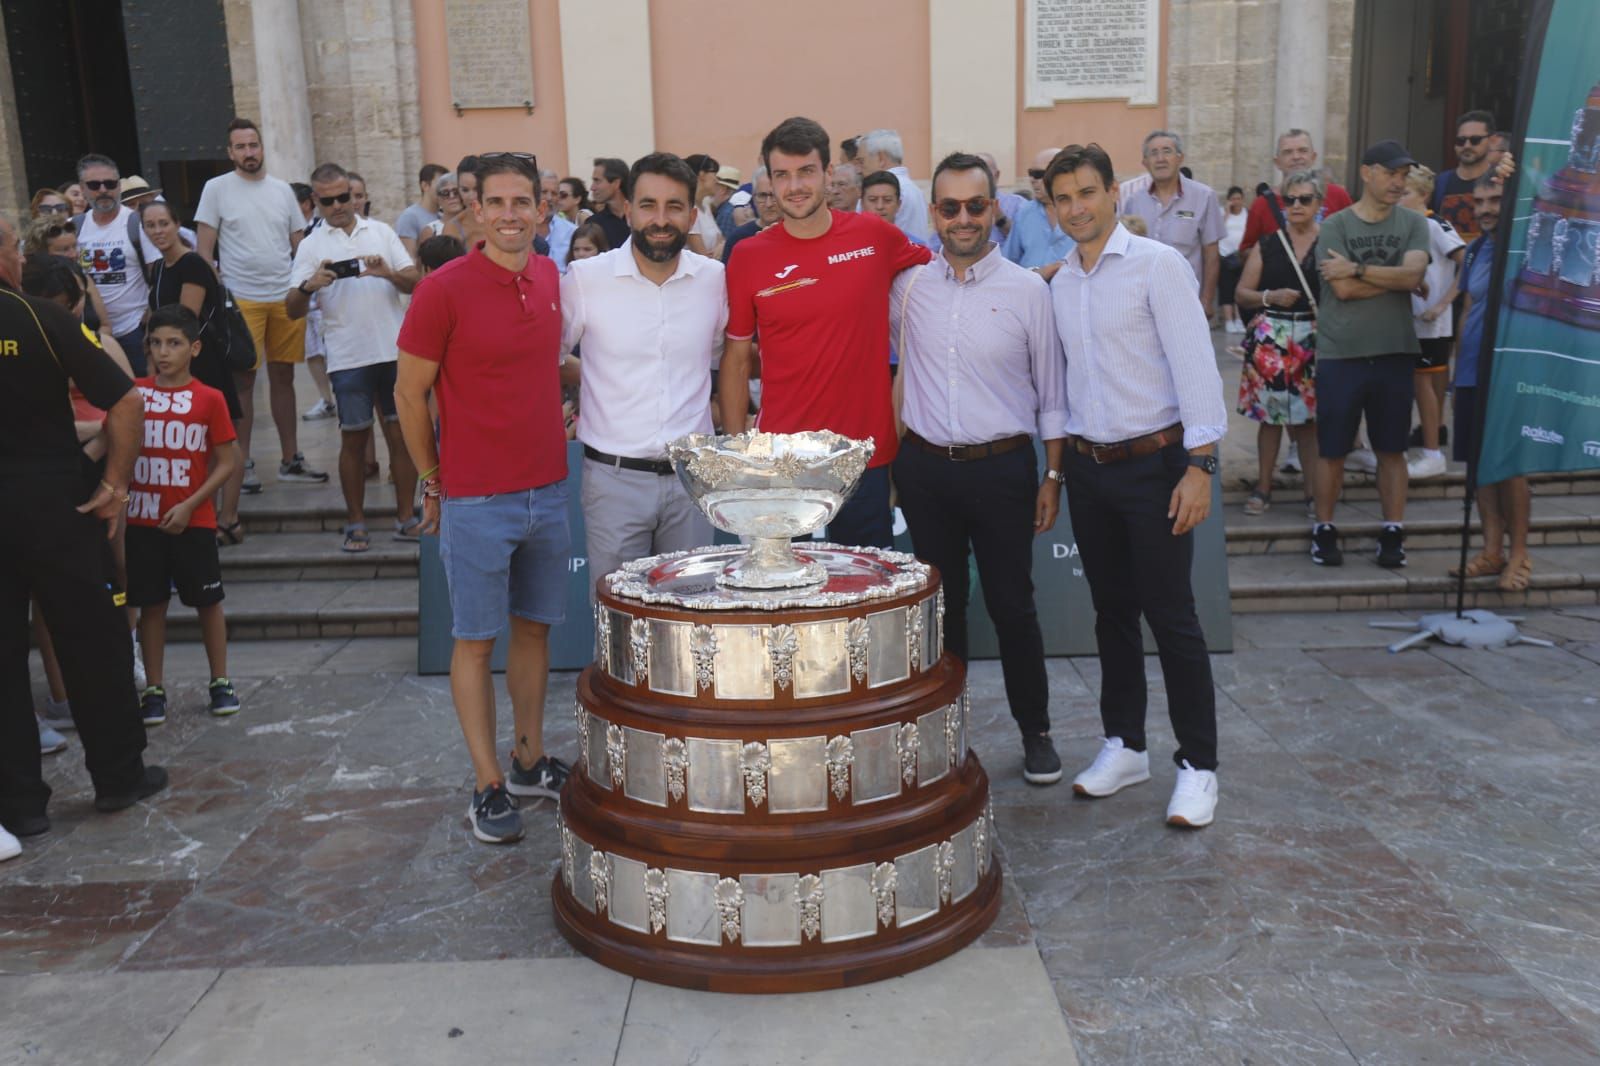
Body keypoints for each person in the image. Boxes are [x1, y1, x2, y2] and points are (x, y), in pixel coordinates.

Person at [1042, 145, 1228, 829]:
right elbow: (1061, 387)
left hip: (1157, 467)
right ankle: (1125, 745)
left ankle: (1198, 766)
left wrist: (1199, 466)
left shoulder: (1158, 267)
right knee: (1111, 613)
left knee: (1172, 617)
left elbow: (1196, 369)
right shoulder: (1062, 283)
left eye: (1086, 192)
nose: (1076, 208)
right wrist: (1060, 473)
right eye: (1062, 197)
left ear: (1113, 193)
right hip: (1091, 471)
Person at [395, 152, 572, 844]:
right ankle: (487, 782)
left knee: (535, 629)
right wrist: (433, 477)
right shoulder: (443, 289)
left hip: (548, 489)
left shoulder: (552, 276)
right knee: (473, 642)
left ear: (541, 209)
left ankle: (529, 759)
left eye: (521, 201)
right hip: (474, 498)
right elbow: (409, 393)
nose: (508, 214)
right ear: (472, 210)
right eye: (493, 202)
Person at [890, 151, 1068, 786]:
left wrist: (1052, 475)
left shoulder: (1028, 291)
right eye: (949, 207)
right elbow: (896, 374)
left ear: (995, 209)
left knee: (1013, 604)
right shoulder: (907, 289)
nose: (962, 219)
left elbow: (1052, 393)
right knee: (942, 608)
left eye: (975, 206)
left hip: (1003, 471)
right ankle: (944, 735)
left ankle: (1036, 730)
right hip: (928, 472)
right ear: (933, 213)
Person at [0, 211, 166, 853]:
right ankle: (119, 776)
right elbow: (126, 399)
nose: (19, 258)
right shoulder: (45, 321)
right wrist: (116, 485)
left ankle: (18, 805)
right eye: (14, 247)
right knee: (92, 641)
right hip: (54, 500)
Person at [720, 116, 932, 549]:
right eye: (782, 175)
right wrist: (738, 452)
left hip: (863, 456)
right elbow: (738, 357)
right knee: (786, 602)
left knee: (862, 595)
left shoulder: (875, 237)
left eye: (806, 172)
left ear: (828, 174)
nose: (794, 186)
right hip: (781, 460)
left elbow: (942, 273)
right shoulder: (748, 256)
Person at [560, 152, 722, 588]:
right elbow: (550, 355)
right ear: (628, 208)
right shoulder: (584, 278)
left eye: (674, 207)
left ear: (691, 215)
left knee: (689, 625)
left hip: (692, 483)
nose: (661, 219)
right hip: (613, 482)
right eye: (648, 205)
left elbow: (728, 355)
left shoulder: (715, 281)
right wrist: (589, 380)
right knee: (616, 627)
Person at [194, 118, 328, 506]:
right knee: (243, 384)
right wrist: (216, 293)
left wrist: (304, 284)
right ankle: (243, 463)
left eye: (254, 145)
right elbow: (205, 249)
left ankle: (291, 460)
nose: (249, 152)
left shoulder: (283, 191)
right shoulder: (216, 189)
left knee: (284, 377)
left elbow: (299, 242)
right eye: (241, 146)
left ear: (261, 147)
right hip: (242, 299)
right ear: (230, 152)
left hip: (283, 297)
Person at [288, 162, 421, 551]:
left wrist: (387, 274)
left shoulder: (380, 232)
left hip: (392, 351)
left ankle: (406, 517)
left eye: (344, 197)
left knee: (401, 438)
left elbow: (415, 281)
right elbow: (291, 309)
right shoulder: (311, 246)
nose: (338, 206)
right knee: (353, 440)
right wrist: (310, 285)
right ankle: (355, 523)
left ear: (354, 194)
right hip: (347, 357)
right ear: (315, 202)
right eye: (327, 200)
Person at [1310, 140, 1430, 568]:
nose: (1399, 182)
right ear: (1367, 173)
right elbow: (1339, 290)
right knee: (1333, 449)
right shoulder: (1335, 225)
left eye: (1404, 175)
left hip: (1395, 350)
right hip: (1342, 353)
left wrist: (1359, 269)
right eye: (1391, 173)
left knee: (1392, 448)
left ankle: (1393, 529)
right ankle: (1324, 528)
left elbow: (1414, 273)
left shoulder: (1413, 223)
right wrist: (1396, 280)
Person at [127, 305, 243, 724]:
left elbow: (227, 462)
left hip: (193, 520)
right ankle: (154, 688)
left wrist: (192, 504)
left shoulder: (209, 398)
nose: (163, 352)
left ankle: (220, 680)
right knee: (150, 604)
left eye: (174, 343)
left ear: (193, 348)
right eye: (156, 343)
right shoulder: (134, 393)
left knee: (208, 601)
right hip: (142, 519)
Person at [1449, 177, 1532, 592]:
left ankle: (1519, 554)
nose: (1485, 208)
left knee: (1509, 465)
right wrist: (1456, 372)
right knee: (1479, 466)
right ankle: (1491, 549)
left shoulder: (1524, 246)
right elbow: (1467, 309)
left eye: (1495, 199)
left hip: (1509, 372)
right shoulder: (1476, 250)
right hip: (1470, 372)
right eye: (1479, 201)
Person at [1233, 171, 1324, 518]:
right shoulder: (1269, 243)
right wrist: (1271, 296)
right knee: (1268, 418)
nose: (1296, 206)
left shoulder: (1330, 240)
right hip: (1272, 340)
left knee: (1308, 422)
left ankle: (1314, 494)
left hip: (1314, 337)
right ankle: (1263, 487)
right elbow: (1242, 292)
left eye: (1304, 199)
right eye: (1290, 200)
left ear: (1318, 204)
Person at [140, 200, 244, 429]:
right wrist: (151, 354)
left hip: (198, 359)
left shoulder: (192, 264)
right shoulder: (158, 267)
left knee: (212, 431)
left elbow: (185, 318)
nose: (157, 231)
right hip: (168, 359)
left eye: (163, 223)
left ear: (177, 225)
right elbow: (154, 312)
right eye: (150, 225)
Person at [1402, 165, 1465, 481]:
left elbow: (1466, 262)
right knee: (1413, 383)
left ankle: (1432, 453)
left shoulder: (1435, 224)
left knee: (1424, 385)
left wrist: (1442, 305)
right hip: (1410, 320)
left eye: (1405, 193)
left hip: (1432, 323)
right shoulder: (1407, 225)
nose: (1399, 198)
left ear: (1422, 194)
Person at [1119, 131, 1225, 313]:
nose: (1160, 159)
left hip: (1186, 301)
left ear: (1180, 158)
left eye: (1167, 151)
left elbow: (1212, 254)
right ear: (1145, 162)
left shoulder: (1204, 197)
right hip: (1144, 304)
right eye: (1153, 153)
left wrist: (1206, 301)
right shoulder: (1134, 201)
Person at [71, 153, 160, 372]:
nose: (103, 190)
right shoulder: (73, 227)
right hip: (89, 332)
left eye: (110, 184)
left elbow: (158, 276)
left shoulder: (137, 224)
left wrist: (150, 322)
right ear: (83, 189)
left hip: (134, 330)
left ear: (118, 187)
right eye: (94, 184)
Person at [1241, 129, 1354, 252]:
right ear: (1277, 162)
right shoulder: (1262, 204)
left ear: (1313, 157)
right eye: (1288, 152)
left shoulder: (1338, 195)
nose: (1296, 157)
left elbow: (1354, 240)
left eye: (1303, 151)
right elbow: (1245, 251)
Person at [25, 216, 113, 332]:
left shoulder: (84, 278)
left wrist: (91, 342)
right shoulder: (30, 287)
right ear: (40, 253)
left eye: (74, 246)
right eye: (64, 249)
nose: (73, 254)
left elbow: (105, 325)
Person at [1003, 146, 1073, 276]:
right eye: (1031, 173)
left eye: (1039, 174)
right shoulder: (1024, 213)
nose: (1032, 180)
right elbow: (1008, 262)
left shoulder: (1080, 213)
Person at [1430, 110, 1495, 240]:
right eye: (1461, 140)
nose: (1467, 145)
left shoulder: (1500, 181)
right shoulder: (1439, 183)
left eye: (1475, 140)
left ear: (1491, 141)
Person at [857, 128, 930, 242]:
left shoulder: (877, 191)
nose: (859, 169)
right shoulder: (914, 189)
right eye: (873, 200)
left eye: (862, 161)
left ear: (881, 158)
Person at [720, 167, 779, 264]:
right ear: (754, 199)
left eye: (774, 196)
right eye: (762, 196)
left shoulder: (798, 233)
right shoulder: (737, 238)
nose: (768, 204)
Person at [396, 162, 449, 257]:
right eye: (441, 184)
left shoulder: (442, 216)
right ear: (425, 186)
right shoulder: (410, 216)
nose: (445, 189)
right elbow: (409, 258)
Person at [861, 170, 927, 245]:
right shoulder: (849, 243)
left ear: (898, 204)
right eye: (873, 200)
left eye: (887, 200)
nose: (880, 206)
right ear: (862, 204)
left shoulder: (914, 247)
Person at [1218, 185, 1248, 333]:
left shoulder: (1246, 214)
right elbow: (1218, 231)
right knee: (1227, 289)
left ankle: (1239, 318)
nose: (1236, 201)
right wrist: (1227, 213)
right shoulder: (1222, 213)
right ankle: (1229, 320)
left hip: (1241, 256)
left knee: (1239, 288)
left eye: (1239, 198)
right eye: (1233, 199)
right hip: (1225, 256)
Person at [536, 168, 578, 270]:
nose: (549, 198)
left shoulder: (572, 232)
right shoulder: (522, 229)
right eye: (544, 192)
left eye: (554, 193)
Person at [588, 157, 632, 250]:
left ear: (616, 183)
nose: (592, 187)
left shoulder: (640, 217)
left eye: (597, 181)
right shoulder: (593, 223)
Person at [711, 166, 742, 238]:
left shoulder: (726, 214)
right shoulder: (725, 210)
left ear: (723, 189)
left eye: (713, 185)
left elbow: (723, 247)